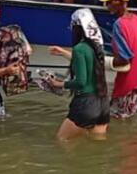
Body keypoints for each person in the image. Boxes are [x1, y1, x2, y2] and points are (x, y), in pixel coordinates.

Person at [47, 8, 110, 140]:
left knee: (62, 140)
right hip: (102, 103)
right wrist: (63, 52)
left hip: (85, 104)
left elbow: (81, 82)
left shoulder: (79, 48)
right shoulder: (97, 47)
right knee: (97, 147)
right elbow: (90, 65)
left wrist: (58, 84)